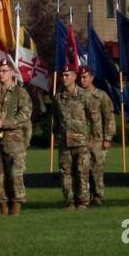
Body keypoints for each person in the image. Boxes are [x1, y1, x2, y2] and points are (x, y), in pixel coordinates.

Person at [0, 56, 32, 215]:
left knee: (15, 173)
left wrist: (6, 123)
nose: (1, 74)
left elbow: (25, 114)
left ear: (12, 73)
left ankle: (16, 203)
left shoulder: (20, 93)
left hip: (14, 139)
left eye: (4, 71)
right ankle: (3, 203)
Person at [53, 63, 92, 209]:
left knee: (82, 173)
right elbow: (56, 120)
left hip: (81, 142)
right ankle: (69, 201)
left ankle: (83, 202)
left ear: (74, 77)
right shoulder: (58, 98)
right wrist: (56, 136)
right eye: (63, 75)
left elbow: (92, 119)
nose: (64, 78)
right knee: (66, 174)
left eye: (67, 75)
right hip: (65, 143)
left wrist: (93, 139)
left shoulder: (84, 96)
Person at [78, 65, 115, 205]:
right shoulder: (77, 96)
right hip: (82, 139)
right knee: (82, 169)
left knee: (97, 169)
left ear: (91, 78)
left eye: (85, 77)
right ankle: (84, 196)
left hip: (98, 139)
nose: (82, 80)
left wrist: (108, 137)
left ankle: (98, 195)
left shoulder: (101, 96)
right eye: (80, 77)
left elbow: (109, 117)